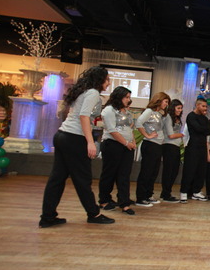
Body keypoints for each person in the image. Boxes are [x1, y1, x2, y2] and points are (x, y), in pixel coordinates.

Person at [39, 66, 115, 228]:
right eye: (107, 79)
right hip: (74, 139)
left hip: (62, 136)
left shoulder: (83, 91)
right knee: (82, 179)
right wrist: (90, 142)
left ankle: (47, 217)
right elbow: (83, 116)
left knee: (57, 179)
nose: (109, 83)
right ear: (100, 80)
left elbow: (77, 115)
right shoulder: (93, 93)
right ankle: (94, 213)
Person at [98, 86, 136, 215]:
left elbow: (130, 128)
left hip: (127, 147)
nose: (128, 100)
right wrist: (126, 143)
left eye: (129, 97)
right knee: (109, 173)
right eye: (126, 97)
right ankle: (104, 200)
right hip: (112, 145)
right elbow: (112, 130)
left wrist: (132, 142)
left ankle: (124, 202)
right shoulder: (109, 110)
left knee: (124, 175)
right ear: (118, 97)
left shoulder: (126, 111)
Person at [135, 92, 170, 207]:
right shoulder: (149, 111)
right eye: (165, 101)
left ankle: (148, 195)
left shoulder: (158, 114)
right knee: (147, 171)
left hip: (157, 145)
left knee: (153, 172)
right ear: (159, 100)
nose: (166, 104)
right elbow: (139, 122)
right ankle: (140, 198)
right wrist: (147, 135)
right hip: (150, 144)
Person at [179, 98, 210, 203]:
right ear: (197, 105)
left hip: (202, 147)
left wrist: (203, 129)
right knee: (189, 170)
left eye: (206, 106)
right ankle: (184, 192)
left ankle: (196, 191)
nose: (205, 108)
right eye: (203, 106)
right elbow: (198, 129)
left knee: (201, 170)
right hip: (192, 146)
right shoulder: (191, 116)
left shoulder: (205, 118)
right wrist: (204, 129)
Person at [160, 99, 184, 203]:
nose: (180, 110)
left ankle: (167, 192)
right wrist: (181, 135)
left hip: (176, 146)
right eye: (178, 108)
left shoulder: (177, 118)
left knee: (175, 171)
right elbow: (171, 135)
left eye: (181, 108)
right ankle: (165, 193)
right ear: (173, 107)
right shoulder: (168, 117)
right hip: (168, 146)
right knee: (168, 171)